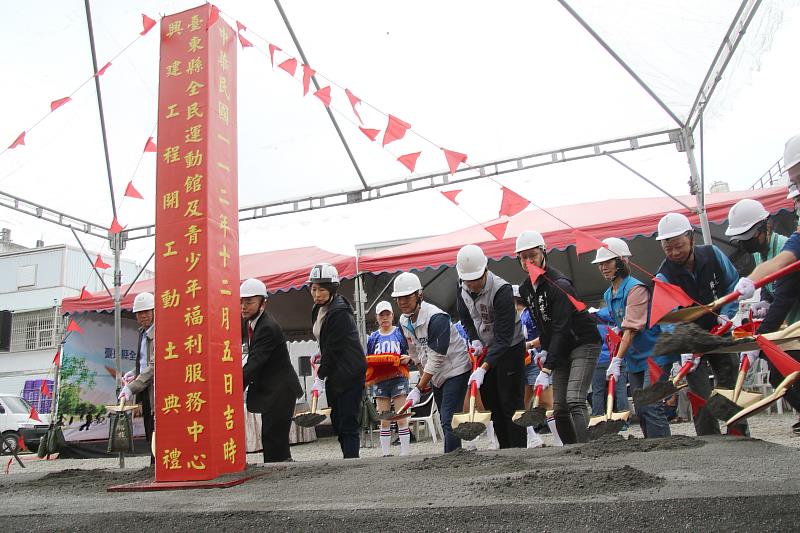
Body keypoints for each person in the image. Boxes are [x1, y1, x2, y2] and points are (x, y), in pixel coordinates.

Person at [654, 212, 748, 436]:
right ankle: (709, 440)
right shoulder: (664, 275)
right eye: (669, 249)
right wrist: (683, 345)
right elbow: (667, 317)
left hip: (720, 329)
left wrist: (726, 315)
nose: (675, 253)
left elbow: (732, 284)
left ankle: (739, 434)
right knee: (699, 394)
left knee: (729, 381)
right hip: (691, 340)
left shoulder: (712, 254)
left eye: (679, 246)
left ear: (691, 238)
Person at [515, 231, 601, 444]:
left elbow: (561, 326)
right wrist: (544, 348)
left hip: (583, 341)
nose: (528, 261)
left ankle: (587, 449)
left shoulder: (559, 284)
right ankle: (572, 450)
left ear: (543, 253)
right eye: (523, 257)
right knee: (559, 408)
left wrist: (547, 368)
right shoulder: (526, 288)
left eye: (532, 255)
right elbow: (543, 325)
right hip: (560, 347)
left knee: (574, 399)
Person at [729, 187, 800, 434]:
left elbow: (785, 299)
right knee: (778, 377)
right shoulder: (761, 255)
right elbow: (772, 293)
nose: (746, 243)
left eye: (749, 236)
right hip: (788, 329)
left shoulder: (784, 250)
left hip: (795, 326)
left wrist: (759, 342)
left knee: (785, 375)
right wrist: (764, 301)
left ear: (766, 227)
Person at [592, 238, 676, 438]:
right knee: (640, 406)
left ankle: (665, 448)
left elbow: (630, 328)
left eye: (608, 262)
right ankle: (651, 444)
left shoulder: (636, 289)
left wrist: (616, 360)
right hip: (635, 358)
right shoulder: (608, 294)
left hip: (654, 354)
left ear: (622, 262)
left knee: (651, 403)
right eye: (601, 264)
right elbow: (620, 328)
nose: (603, 267)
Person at [455, 244, 527, 449]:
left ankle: (519, 451)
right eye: (468, 281)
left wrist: (482, 369)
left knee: (510, 403)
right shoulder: (461, 286)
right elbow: (466, 318)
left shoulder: (501, 290)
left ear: (485, 270)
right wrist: (474, 339)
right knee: (493, 404)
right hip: (487, 348)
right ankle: (505, 449)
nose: (472, 285)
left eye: (476, 280)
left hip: (510, 349)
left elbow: (504, 338)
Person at [394, 272, 471, 453]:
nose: (402, 302)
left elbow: (437, 357)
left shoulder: (436, 318)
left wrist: (419, 387)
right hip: (435, 374)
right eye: (399, 298)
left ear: (419, 295)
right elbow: (415, 351)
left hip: (455, 368)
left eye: (407, 297)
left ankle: (451, 455)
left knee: (447, 416)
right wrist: (422, 376)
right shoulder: (404, 321)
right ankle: (456, 452)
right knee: (446, 417)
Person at [240, 278, 303, 463]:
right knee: (273, 438)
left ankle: (280, 479)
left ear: (263, 303)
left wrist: (232, 387)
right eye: (242, 301)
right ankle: (283, 475)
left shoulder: (267, 327)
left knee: (273, 437)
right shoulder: (251, 323)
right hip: (273, 390)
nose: (244, 306)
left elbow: (255, 363)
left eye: (249, 302)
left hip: (281, 390)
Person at [309, 263, 366, 459]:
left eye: (322, 289)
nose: (317, 294)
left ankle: (352, 463)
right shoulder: (317, 310)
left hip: (349, 372)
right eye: (313, 288)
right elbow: (325, 343)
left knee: (348, 421)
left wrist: (320, 376)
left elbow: (334, 348)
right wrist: (319, 356)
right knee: (337, 421)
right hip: (334, 371)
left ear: (332, 289)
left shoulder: (339, 311)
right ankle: (347, 459)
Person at [366, 301, 412, 457]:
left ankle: (405, 452)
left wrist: (409, 358)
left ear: (392, 315)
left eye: (387, 314)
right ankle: (386, 453)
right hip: (380, 380)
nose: (385, 318)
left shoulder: (400, 333)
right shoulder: (373, 337)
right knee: (384, 419)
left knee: (400, 417)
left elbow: (410, 351)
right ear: (377, 318)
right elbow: (369, 359)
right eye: (381, 315)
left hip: (398, 377)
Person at [118, 291, 155, 462]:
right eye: (140, 313)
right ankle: (153, 463)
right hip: (144, 387)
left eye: (147, 312)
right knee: (148, 423)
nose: (144, 316)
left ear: (154, 311)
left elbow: (154, 365)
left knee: (156, 425)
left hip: (156, 388)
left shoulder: (159, 333)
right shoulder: (142, 332)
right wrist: (134, 372)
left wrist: (131, 387)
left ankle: (158, 463)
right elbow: (144, 360)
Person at [513, 285, 544, 448]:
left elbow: (544, 335)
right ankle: (532, 436)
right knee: (524, 402)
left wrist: (530, 345)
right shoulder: (518, 315)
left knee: (544, 399)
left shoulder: (529, 314)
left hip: (535, 360)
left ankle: (558, 438)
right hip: (523, 362)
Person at [589, 307, 629, 418]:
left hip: (599, 361)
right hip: (618, 359)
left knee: (598, 391)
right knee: (621, 389)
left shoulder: (594, 327)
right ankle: (623, 417)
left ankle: (598, 416)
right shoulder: (618, 324)